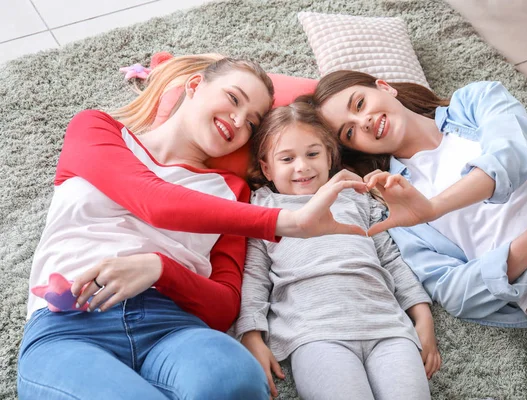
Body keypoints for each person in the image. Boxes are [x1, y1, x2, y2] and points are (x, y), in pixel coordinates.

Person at [17, 55, 367, 400]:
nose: (238, 120)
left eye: (252, 121)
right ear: (195, 85)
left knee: (235, 381)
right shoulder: (97, 129)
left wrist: (160, 269)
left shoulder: (235, 191)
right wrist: (288, 222)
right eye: (233, 98)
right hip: (71, 324)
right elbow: (155, 202)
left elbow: (224, 306)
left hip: (172, 329)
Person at [303, 70, 527, 387]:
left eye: (359, 103)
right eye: (349, 133)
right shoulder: (396, 207)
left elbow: (511, 153)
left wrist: (433, 208)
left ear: (385, 87)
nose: (362, 122)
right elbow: (455, 292)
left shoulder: (475, 100)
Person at [236, 102, 439, 400]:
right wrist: (252, 336)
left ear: (330, 156)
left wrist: (423, 318)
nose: (302, 166)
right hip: (316, 333)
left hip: (387, 327)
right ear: (267, 168)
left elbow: (391, 259)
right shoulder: (263, 208)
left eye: (313, 154)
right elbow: (253, 278)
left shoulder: (355, 196)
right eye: (287, 158)